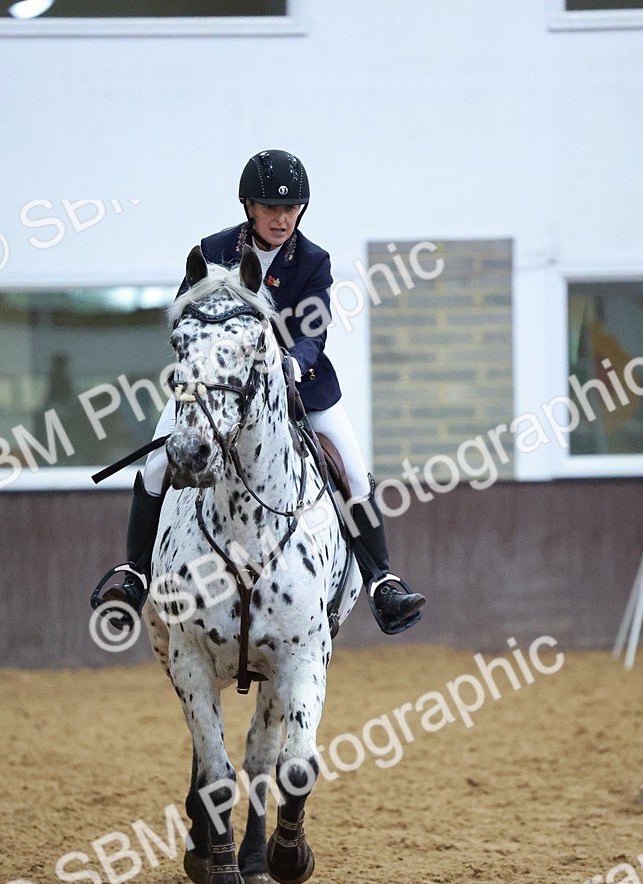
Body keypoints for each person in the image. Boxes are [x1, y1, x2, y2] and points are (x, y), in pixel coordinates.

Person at [94, 149, 425, 635]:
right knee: (158, 463)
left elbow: (314, 331)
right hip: (216, 387)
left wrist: (290, 363)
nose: (282, 217)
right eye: (271, 207)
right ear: (248, 206)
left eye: (291, 209)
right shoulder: (212, 251)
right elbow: (186, 318)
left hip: (301, 387)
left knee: (353, 471)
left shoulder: (313, 261)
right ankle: (135, 574)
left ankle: (382, 581)